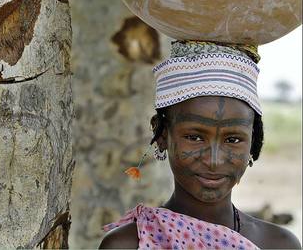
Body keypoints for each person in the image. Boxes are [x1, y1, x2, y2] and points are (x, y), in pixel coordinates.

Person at [98, 41, 301, 249]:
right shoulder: (129, 244)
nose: (214, 161)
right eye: (195, 137)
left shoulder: (280, 245)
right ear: (161, 134)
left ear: (253, 140)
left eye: (233, 140)